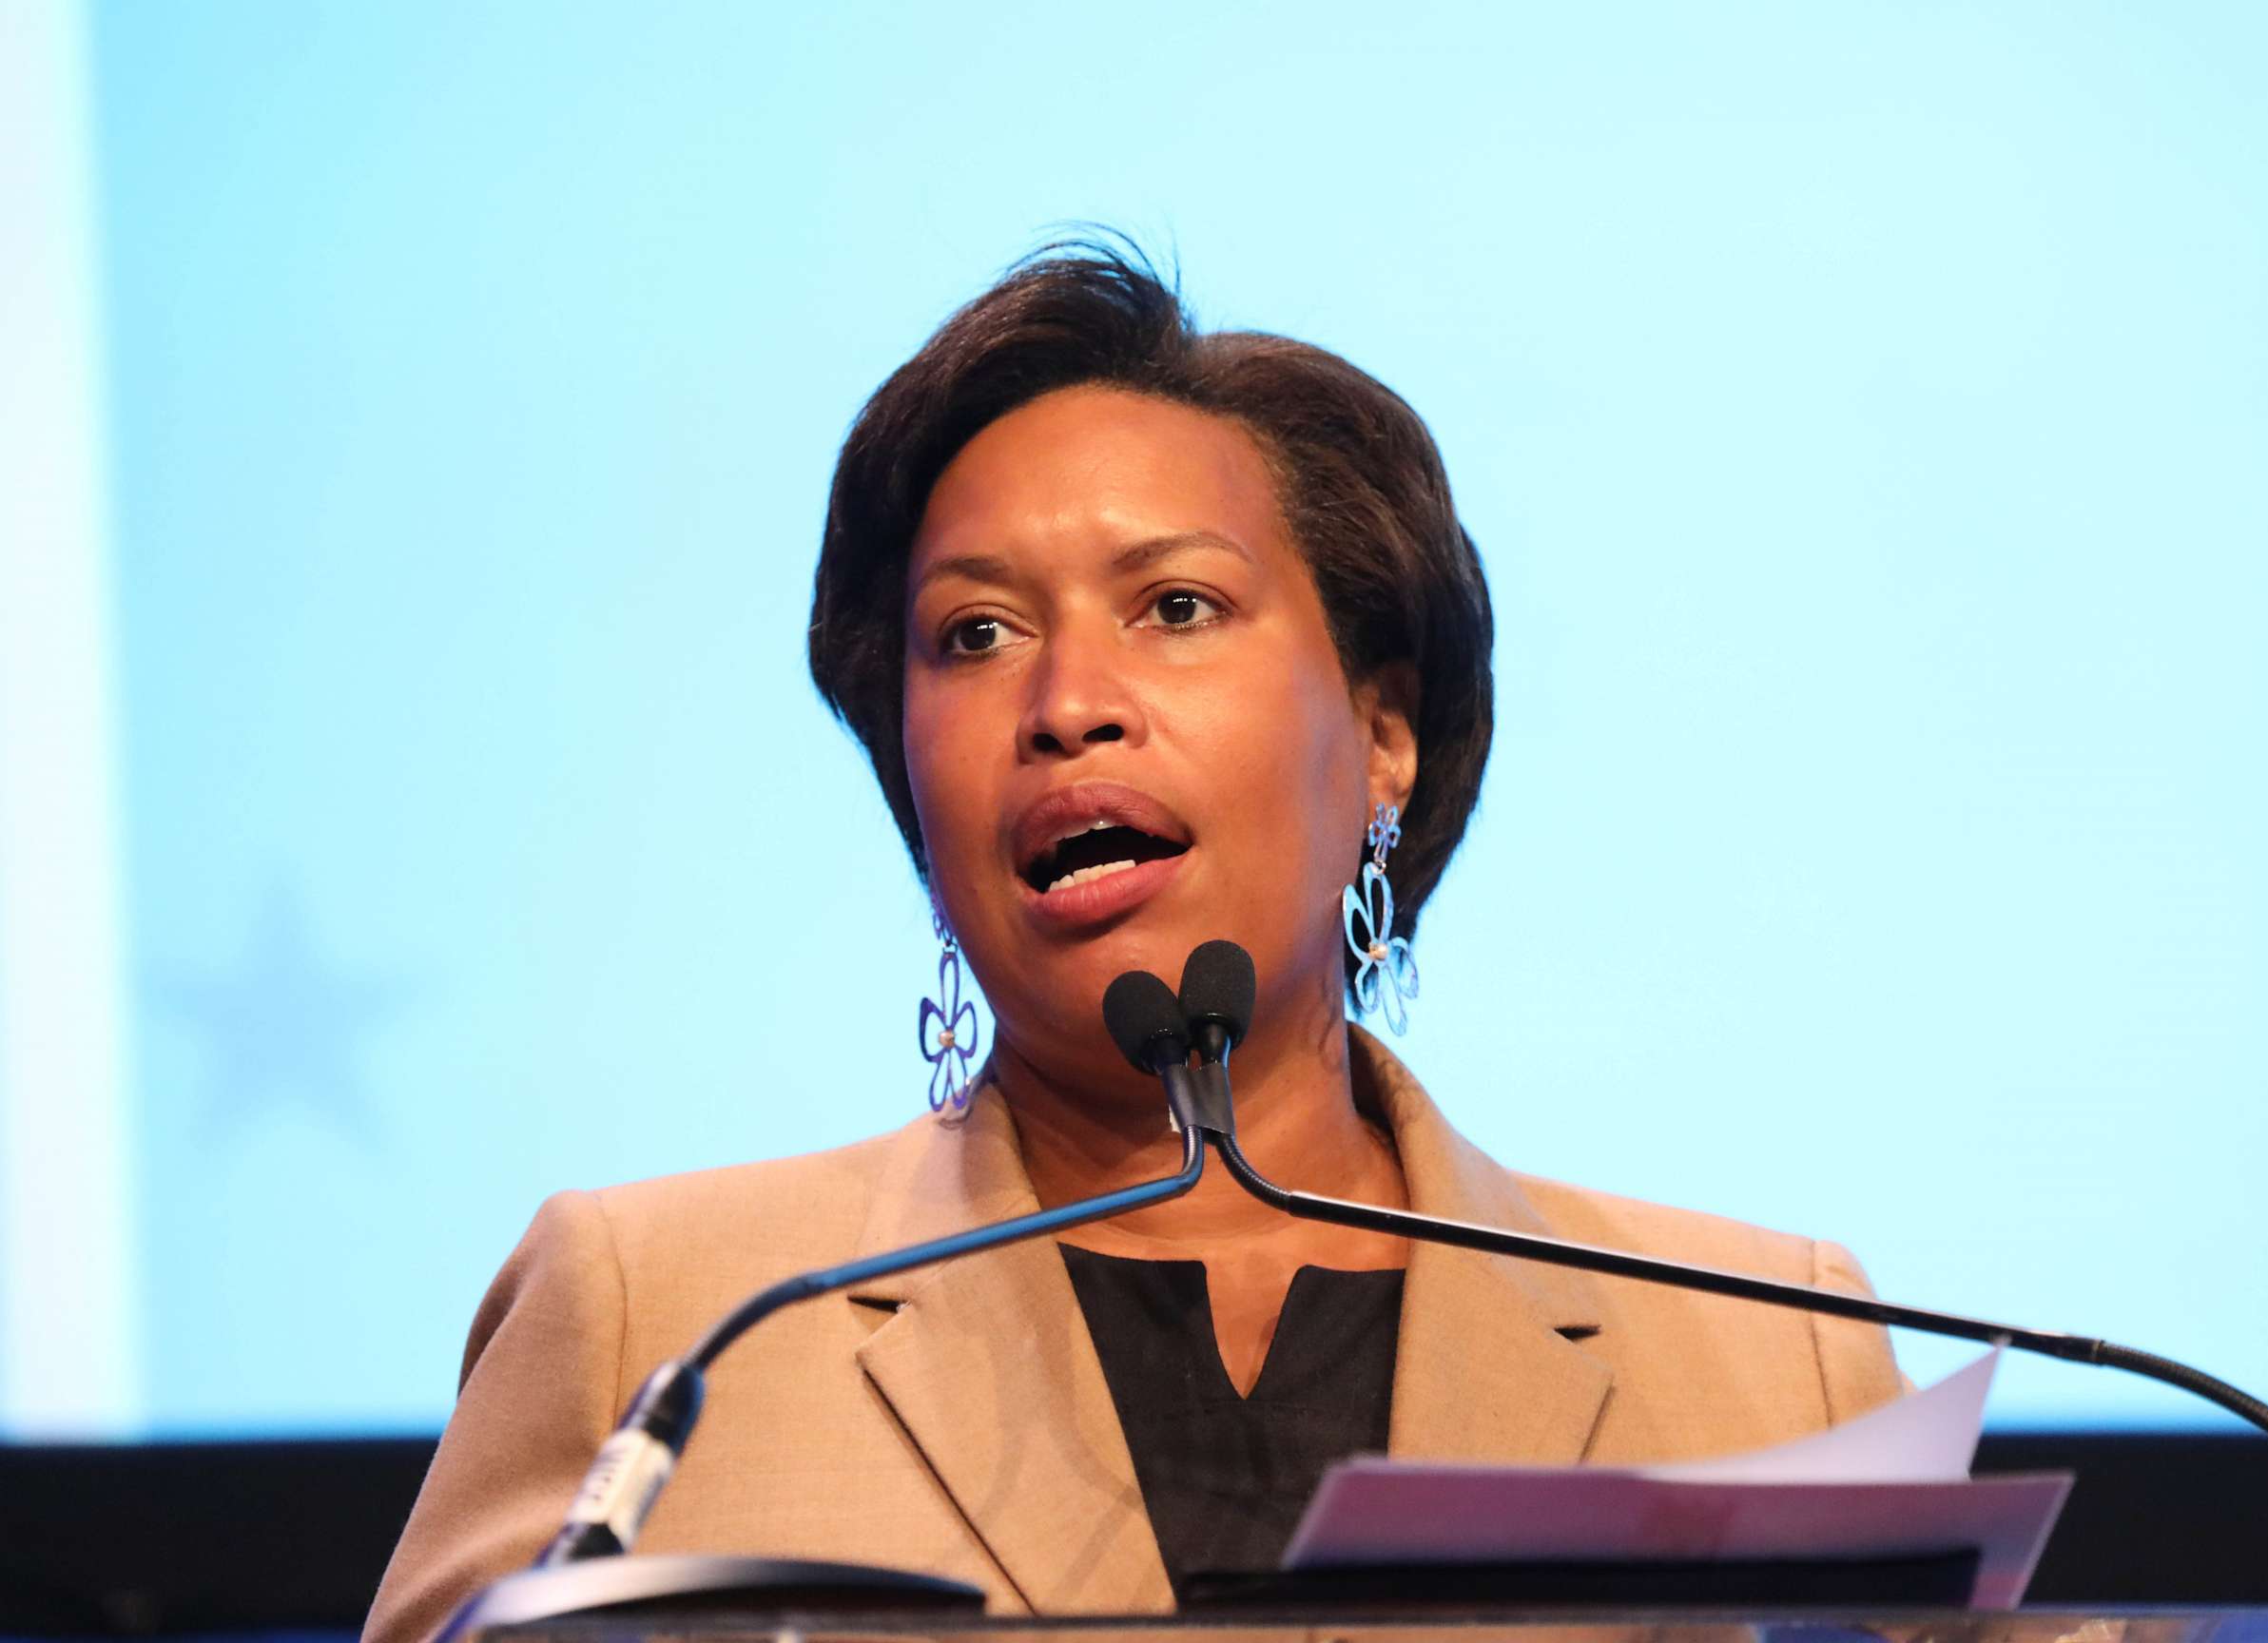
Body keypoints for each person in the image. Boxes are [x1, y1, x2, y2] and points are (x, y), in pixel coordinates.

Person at [362, 242, 1902, 1643]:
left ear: (1382, 733)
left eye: (1174, 605)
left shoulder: (1771, 1362)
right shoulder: (668, 1323)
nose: (1067, 703)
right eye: (974, 634)